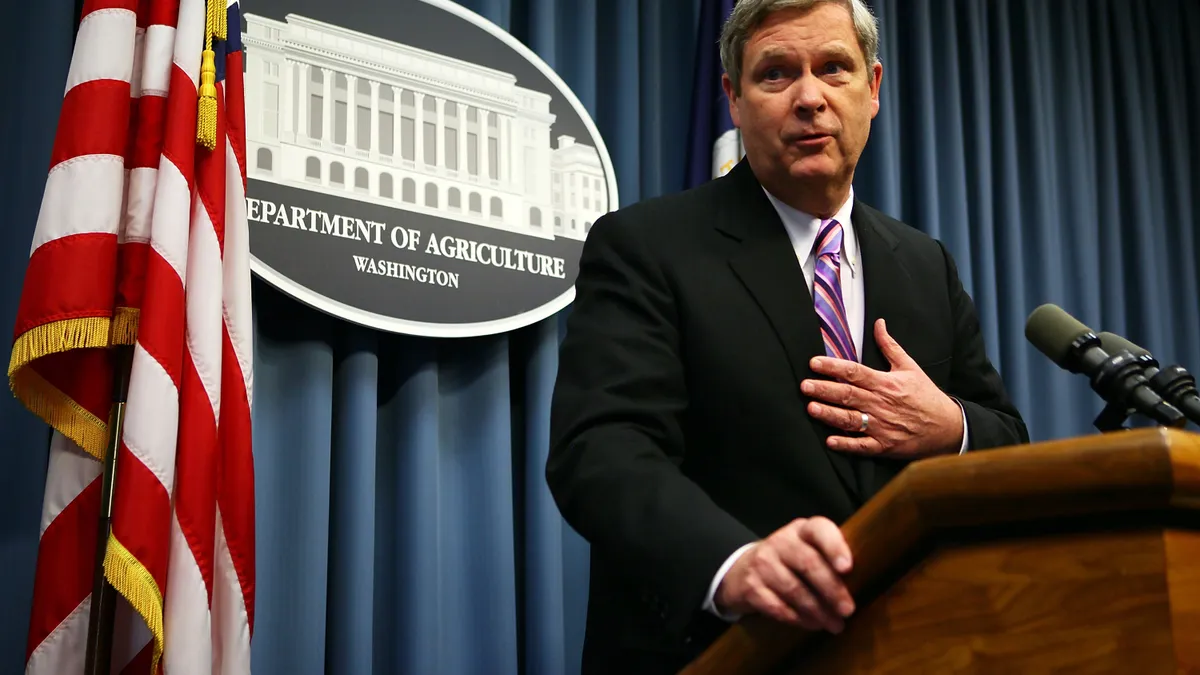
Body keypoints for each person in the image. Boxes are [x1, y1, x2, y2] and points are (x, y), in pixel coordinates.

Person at [545, 0, 1029, 672]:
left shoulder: (924, 263)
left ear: (874, 88)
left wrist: (949, 424)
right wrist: (733, 562)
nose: (810, 98)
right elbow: (600, 451)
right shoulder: (648, 247)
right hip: (725, 648)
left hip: (915, 645)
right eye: (776, 74)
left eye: (834, 68)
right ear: (734, 100)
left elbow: (1005, 435)